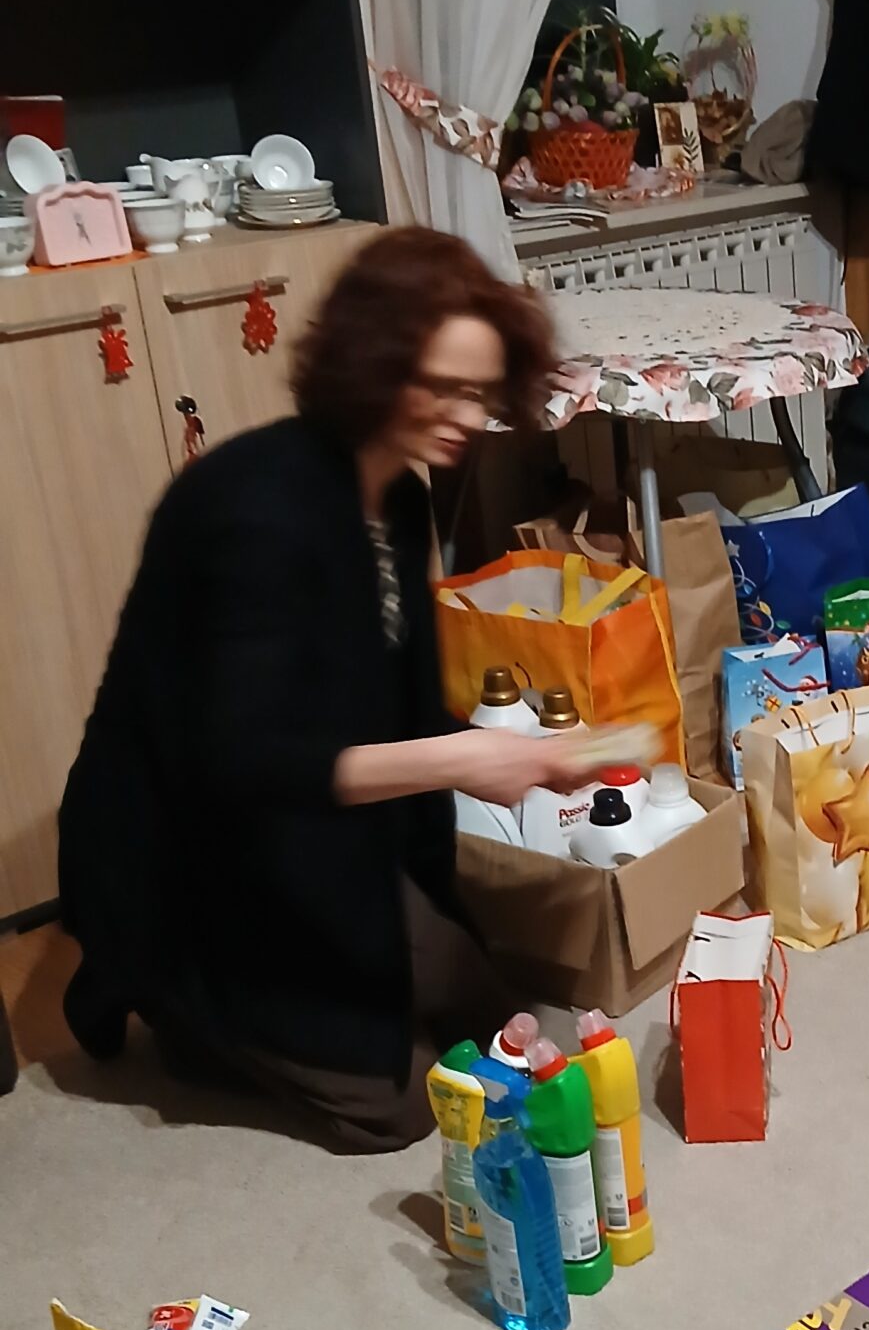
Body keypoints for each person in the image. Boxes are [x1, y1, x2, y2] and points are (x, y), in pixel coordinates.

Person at [59, 227, 620, 1153]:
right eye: (443, 388)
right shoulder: (255, 509)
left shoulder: (398, 495)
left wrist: (529, 753)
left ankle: (304, 978)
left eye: (479, 393)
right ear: (373, 363)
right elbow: (245, 765)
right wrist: (461, 759)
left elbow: (393, 703)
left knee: (493, 1021)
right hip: (198, 846)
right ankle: (170, 1001)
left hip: (319, 825)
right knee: (396, 1110)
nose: (467, 416)